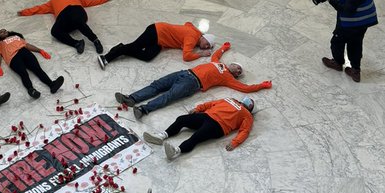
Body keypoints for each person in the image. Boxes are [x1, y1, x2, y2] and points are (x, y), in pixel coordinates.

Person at [116, 40, 271, 116]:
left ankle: (143, 109)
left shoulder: (228, 78)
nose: (238, 71)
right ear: (232, 64)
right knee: (156, 85)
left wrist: (262, 85)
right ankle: (131, 98)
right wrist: (224, 47)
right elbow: (216, 54)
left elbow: (245, 88)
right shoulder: (218, 63)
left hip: (193, 83)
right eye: (238, 67)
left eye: (239, 72)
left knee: (168, 96)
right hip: (184, 72)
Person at [143, 95, 256, 159]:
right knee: (182, 119)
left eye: (250, 103)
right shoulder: (229, 99)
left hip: (218, 126)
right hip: (206, 115)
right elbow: (211, 103)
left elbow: (245, 131)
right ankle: (161, 136)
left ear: (250, 108)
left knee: (196, 137)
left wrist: (235, 142)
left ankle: (176, 151)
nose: (248, 101)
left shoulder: (247, 115)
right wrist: (198, 109)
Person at [321, 0, 378, 82]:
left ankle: (337, 63)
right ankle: (356, 71)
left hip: (350, 24)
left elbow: (346, 11)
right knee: (356, 45)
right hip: (363, 23)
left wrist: (331, 1)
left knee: (336, 42)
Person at [18, 0, 111, 55]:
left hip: (75, 10)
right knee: (54, 31)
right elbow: (39, 8)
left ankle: (95, 41)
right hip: (63, 16)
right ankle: (77, 43)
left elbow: (89, 2)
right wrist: (23, 12)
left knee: (77, 20)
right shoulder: (52, 1)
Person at [99, 21, 213, 70]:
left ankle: (120, 48)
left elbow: (188, 23)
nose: (206, 47)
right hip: (156, 31)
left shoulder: (196, 32)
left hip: (161, 41)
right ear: (204, 38)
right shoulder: (192, 39)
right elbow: (186, 56)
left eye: (208, 47)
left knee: (147, 56)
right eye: (207, 44)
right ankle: (106, 58)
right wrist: (201, 54)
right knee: (134, 47)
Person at [0, 30, 63, 98]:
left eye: (5, 30)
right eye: (1, 32)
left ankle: (52, 85)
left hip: (25, 52)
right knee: (23, 73)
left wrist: (40, 50)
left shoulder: (16, 37)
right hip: (13, 58)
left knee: (38, 69)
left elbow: (27, 45)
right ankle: (31, 90)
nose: (4, 32)